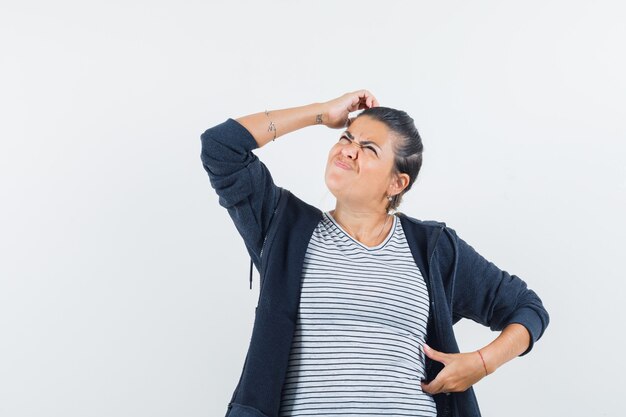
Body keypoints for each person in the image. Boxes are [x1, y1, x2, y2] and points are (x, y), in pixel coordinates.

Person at [200, 90, 549, 417]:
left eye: (369, 148)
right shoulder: (283, 227)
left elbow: (527, 309)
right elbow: (221, 147)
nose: (348, 150)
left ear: (397, 183)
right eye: (346, 139)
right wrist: (323, 113)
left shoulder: (433, 247)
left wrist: (482, 364)